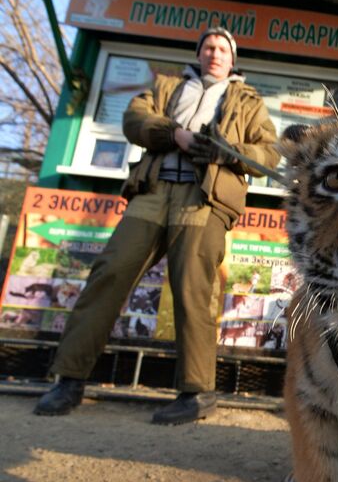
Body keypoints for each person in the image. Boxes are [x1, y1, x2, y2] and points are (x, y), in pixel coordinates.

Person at [34, 27, 280, 424]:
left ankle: (197, 392)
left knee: (193, 291)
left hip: (205, 200)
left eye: (223, 50)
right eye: (209, 48)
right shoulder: (166, 87)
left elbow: (268, 153)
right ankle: (69, 379)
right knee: (109, 272)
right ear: (198, 54)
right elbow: (134, 119)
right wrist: (175, 135)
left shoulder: (248, 102)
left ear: (233, 60)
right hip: (152, 191)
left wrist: (227, 151)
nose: (215, 54)